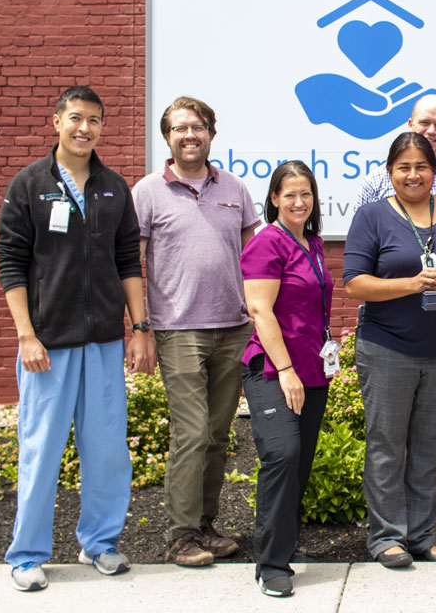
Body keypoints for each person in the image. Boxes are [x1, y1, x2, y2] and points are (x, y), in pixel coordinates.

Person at [0, 85, 149, 591]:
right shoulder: (29, 185)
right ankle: (27, 554)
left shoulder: (113, 187)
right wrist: (26, 336)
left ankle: (100, 543)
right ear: (57, 121)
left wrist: (139, 327)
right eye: (76, 118)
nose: (85, 128)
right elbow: (11, 263)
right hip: (48, 345)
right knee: (41, 449)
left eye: (95, 120)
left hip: (104, 340)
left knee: (107, 449)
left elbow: (128, 259)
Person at [344, 132, 436, 567]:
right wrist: (414, 284)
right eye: (403, 167)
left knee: (428, 443)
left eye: (421, 166)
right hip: (387, 346)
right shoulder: (372, 216)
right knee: (387, 443)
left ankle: (423, 536)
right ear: (390, 172)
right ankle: (387, 537)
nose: (413, 174)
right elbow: (354, 284)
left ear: (434, 170)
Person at [131, 97, 261, 567]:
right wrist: (140, 327)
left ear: (211, 133)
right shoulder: (147, 192)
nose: (190, 135)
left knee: (218, 434)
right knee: (191, 432)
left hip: (232, 327)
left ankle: (206, 525)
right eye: (180, 128)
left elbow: (255, 254)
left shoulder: (235, 188)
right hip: (178, 329)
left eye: (198, 126)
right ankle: (180, 535)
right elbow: (131, 264)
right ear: (167, 137)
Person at [241, 161, 333, 597]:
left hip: (312, 370)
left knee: (299, 463)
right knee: (281, 454)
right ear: (274, 198)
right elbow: (260, 311)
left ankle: (287, 545)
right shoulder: (267, 243)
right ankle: (271, 564)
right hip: (273, 369)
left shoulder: (312, 243)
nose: (299, 202)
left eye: (306, 194)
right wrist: (287, 372)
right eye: (290, 194)